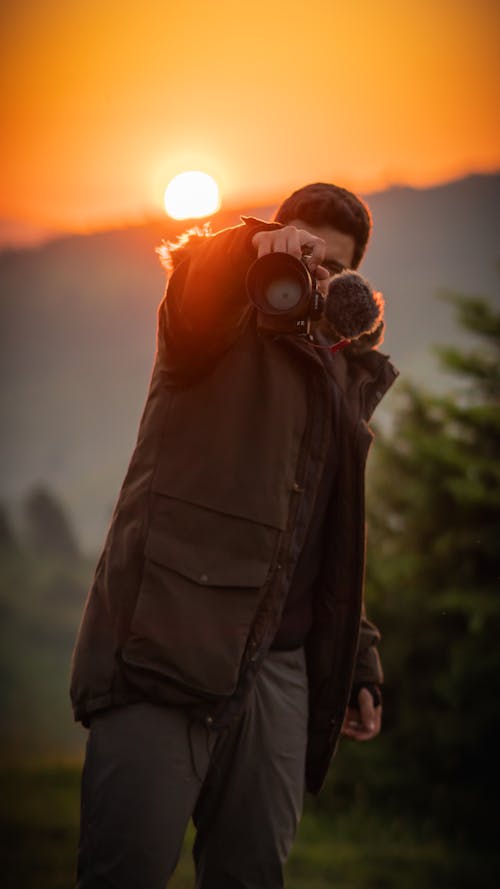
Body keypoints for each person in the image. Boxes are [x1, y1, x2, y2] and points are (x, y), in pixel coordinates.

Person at [70, 181, 398, 888]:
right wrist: (248, 242)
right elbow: (197, 282)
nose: (317, 282)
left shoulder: (345, 379)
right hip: (166, 648)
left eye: (335, 270)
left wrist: (358, 657)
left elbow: (322, 544)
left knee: (253, 875)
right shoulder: (209, 327)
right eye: (306, 259)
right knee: (122, 872)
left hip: (280, 675)